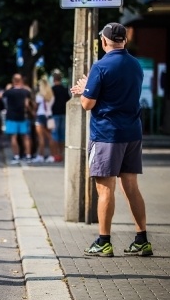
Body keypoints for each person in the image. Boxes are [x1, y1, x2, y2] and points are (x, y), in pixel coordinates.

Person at [71, 22, 151, 258]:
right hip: (132, 133)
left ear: (104, 41)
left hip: (107, 134)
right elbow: (120, 93)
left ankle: (104, 241)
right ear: (124, 41)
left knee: (105, 190)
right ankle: (142, 239)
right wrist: (92, 88)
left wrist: (87, 89)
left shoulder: (101, 66)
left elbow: (87, 104)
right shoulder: (135, 64)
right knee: (132, 188)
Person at [2, 73, 33, 164]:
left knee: (14, 137)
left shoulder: (9, 92)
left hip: (11, 116)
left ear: (13, 81)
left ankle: (16, 156)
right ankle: (28, 155)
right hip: (22, 116)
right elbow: (26, 104)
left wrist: (8, 88)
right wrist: (31, 112)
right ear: (21, 81)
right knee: (25, 137)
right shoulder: (25, 92)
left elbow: (1, 96)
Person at [49, 70, 69, 162]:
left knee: (54, 134)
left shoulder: (52, 89)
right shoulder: (64, 89)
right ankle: (61, 153)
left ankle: (55, 154)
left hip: (54, 113)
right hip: (63, 113)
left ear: (53, 79)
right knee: (62, 135)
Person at [33, 77, 54, 163]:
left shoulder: (39, 96)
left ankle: (40, 155)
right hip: (48, 116)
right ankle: (52, 155)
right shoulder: (51, 96)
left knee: (40, 138)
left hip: (40, 116)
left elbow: (36, 107)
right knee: (49, 137)